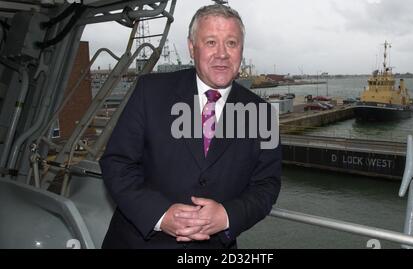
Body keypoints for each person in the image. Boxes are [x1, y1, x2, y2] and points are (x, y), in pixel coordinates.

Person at [99, 4, 281, 249]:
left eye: (231, 43)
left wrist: (226, 216)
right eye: (210, 42)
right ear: (191, 47)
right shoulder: (149, 92)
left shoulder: (263, 115)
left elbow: (266, 185)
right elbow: (117, 162)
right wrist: (160, 215)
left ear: (241, 50)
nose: (222, 54)